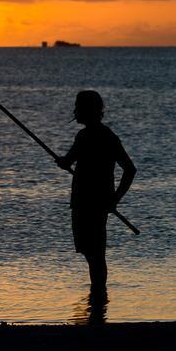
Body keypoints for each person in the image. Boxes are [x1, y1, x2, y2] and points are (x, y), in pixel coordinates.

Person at [55, 90, 136, 297]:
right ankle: (98, 299)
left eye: (78, 107)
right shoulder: (105, 135)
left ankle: (98, 298)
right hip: (94, 201)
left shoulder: (89, 136)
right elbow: (69, 161)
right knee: (93, 253)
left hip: (89, 202)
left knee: (95, 253)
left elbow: (129, 169)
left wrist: (115, 199)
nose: (75, 111)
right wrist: (114, 198)